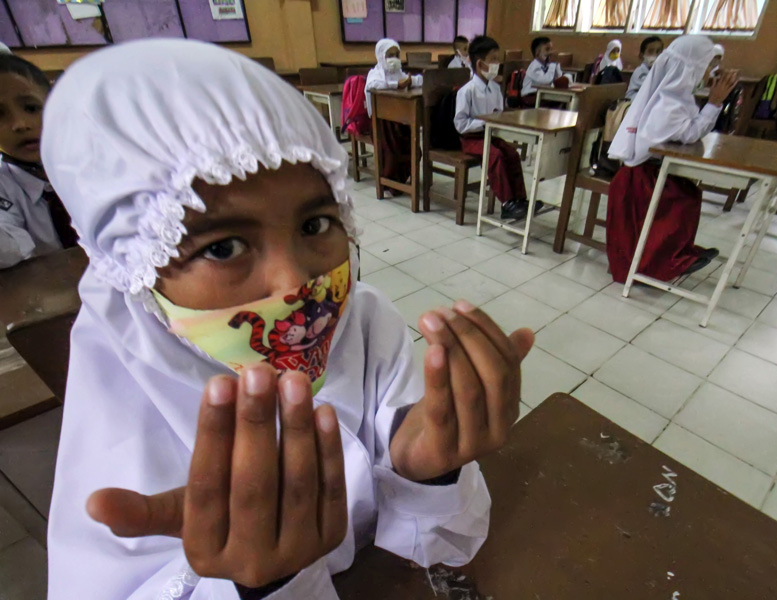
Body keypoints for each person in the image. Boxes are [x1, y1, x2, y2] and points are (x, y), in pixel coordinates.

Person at [43, 39, 535, 599]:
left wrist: (423, 468)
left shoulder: (362, 320)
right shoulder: (122, 396)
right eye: (224, 247)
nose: (293, 284)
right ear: (135, 268)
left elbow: (431, 550)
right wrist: (253, 583)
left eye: (315, 226)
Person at [606, 35, 739, 284]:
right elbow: (689, 133)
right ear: (690, 69)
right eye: (707, 65)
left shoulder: (675, 97)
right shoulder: (668, 105)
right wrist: (714, 103)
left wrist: (712, 103)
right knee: (682, 200)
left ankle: (675, 253)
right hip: (640, 179)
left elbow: (686, 133)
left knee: (688, 193)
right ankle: (663, 261)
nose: (710, 71)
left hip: (649, 172)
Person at [0, 53, 76, 269]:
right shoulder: (3, 185)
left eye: (32, 108)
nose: (20, 124)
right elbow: (10, 248)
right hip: (49, 294)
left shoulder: (89, 160)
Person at [455, 36, 539, 221]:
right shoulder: (467, 91)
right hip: (472, 139)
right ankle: (507, 203)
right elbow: (460, 124)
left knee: (511, 154)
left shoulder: (494, 88)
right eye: (493, 59)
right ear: (479, 64)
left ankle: (520, 199)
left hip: (491, 135)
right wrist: (485, 122)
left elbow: (499, 113)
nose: (497, 63)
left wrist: (499, 121)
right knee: (496, 156)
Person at [366, 38, 422, 195]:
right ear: (381, 56)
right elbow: (373, 86)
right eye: (390, 55)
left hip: (400, 120)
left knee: (412, 146)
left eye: (397, 55)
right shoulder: (375, 74)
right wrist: (396, 85)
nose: (394, 59)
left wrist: (411, 81)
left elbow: (414, 80)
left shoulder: (399, 73)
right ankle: (390, 181)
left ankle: (401, 179)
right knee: (393, 150)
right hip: (382, 123)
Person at [626, 36, 663, 101]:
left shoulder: (660, 70)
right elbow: (652, 88)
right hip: (634, 102)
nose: (655, 55)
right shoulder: (640, 72)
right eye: (651, 51)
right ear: (641, 56)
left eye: (658, 51)